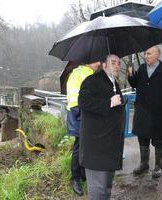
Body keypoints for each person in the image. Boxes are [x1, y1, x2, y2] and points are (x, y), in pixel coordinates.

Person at [78, 54, 126, 200]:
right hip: (97, 147)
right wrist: (109, 102)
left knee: (106, 188)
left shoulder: (113, 82)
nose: (117, 65)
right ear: (104, 65)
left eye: (118, 63)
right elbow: (83, 101)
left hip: (110, 146)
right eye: (113, 62)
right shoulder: (92, 80)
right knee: (98, 191)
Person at [128, 46, 162, 178]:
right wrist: (131, 74)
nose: (146, 56)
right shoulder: (142, 69)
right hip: (142, 111)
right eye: (145, 53)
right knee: (142, 138)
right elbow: (134, 84)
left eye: (148, 53)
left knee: (157, 140)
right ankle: (144, 164)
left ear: (157, 55)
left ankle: (158, 166)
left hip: (158, 113)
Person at [66, 62, 101, 196]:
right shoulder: (88, 75)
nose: (99, 63)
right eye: (96, 61)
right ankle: (75, 178)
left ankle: (81, 173)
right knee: (80, 146)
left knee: (82, 145)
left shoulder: (76, 72)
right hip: (81, 113)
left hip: (76, 113)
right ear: (88, 62)